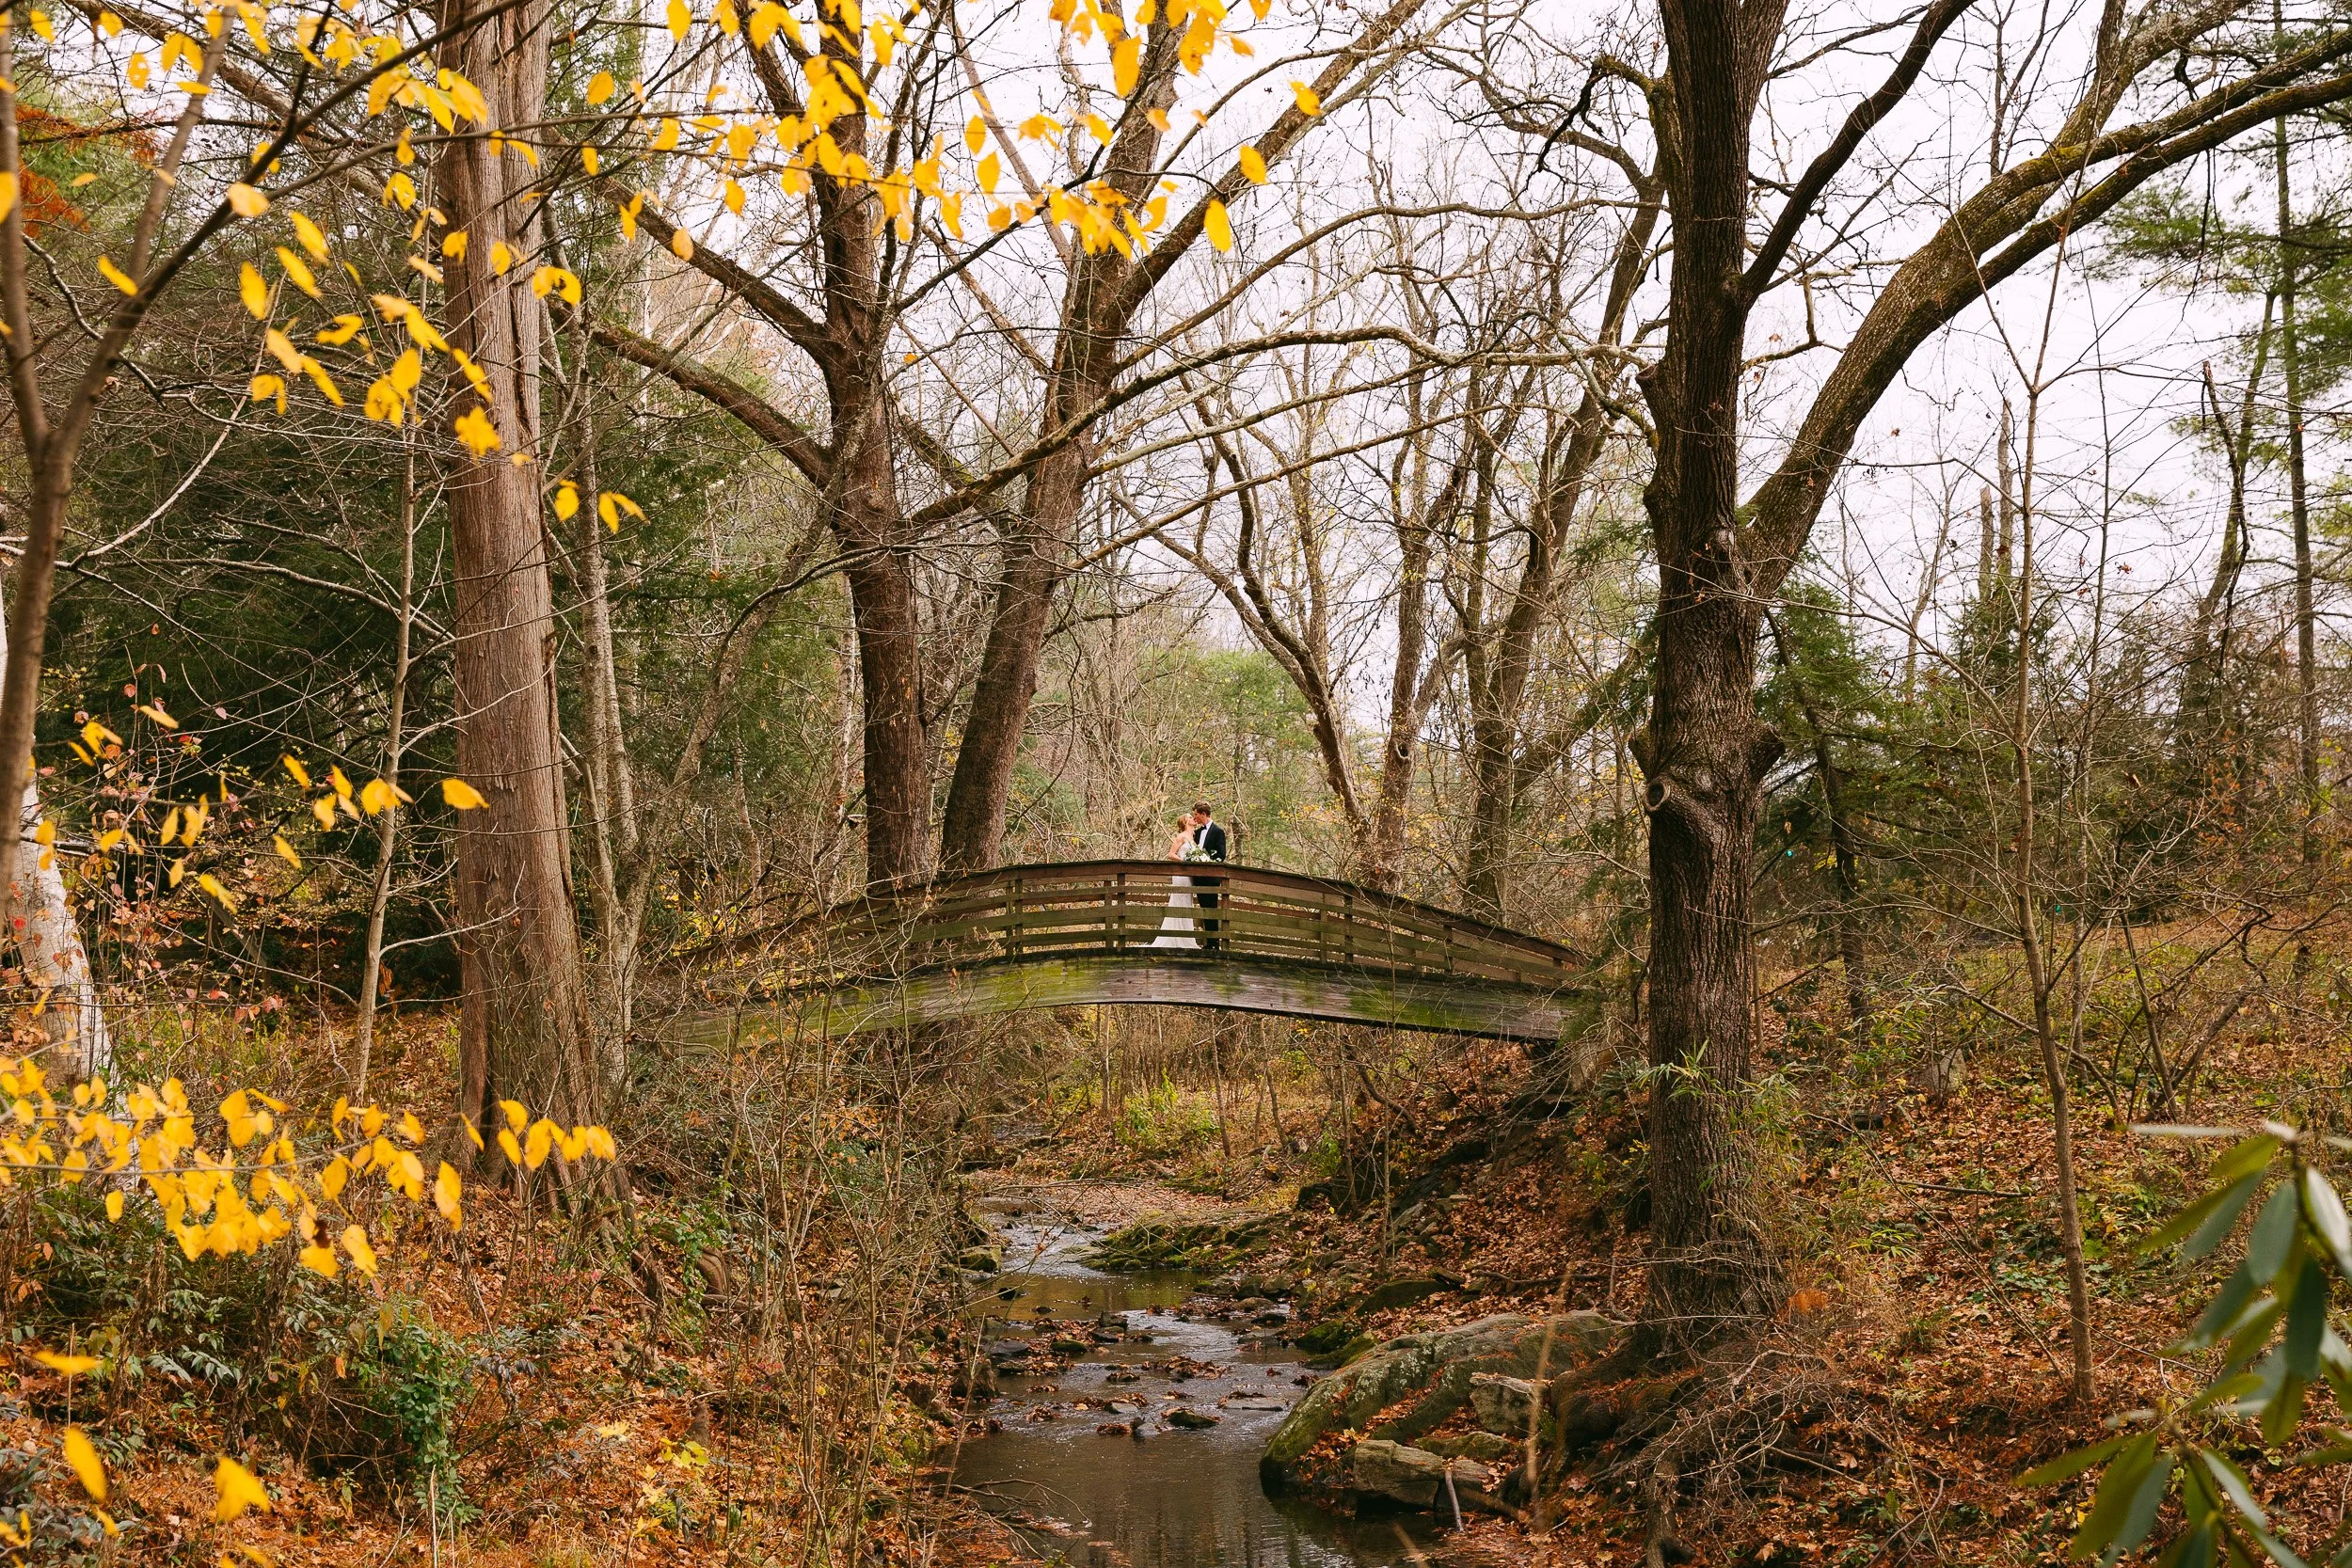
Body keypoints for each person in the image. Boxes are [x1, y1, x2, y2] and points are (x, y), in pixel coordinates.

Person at [1147, 817, 1201, 948]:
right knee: (1178, 902)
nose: (1193, 819)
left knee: (1187, 903)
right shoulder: (1181, 837)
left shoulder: (1193, 837)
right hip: (1180, 875)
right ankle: (1174, 938)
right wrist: (1184, 862)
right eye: (1190, 817)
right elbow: (1171, 854)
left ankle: (1186, 937)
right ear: (1185, 822)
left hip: (1189, 876)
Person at [1188, 802, 1226, 949]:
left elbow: (1221, 855)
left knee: (1212, 908)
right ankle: (1208, 942)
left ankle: (1214, 942)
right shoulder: (1197, 833)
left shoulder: (1218, 832)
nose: (1195, 817)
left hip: (1211, 878)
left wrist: (1207, 861)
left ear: (1203, 814)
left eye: (1196, 814)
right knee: (1204, 908)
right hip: (1199, 878)